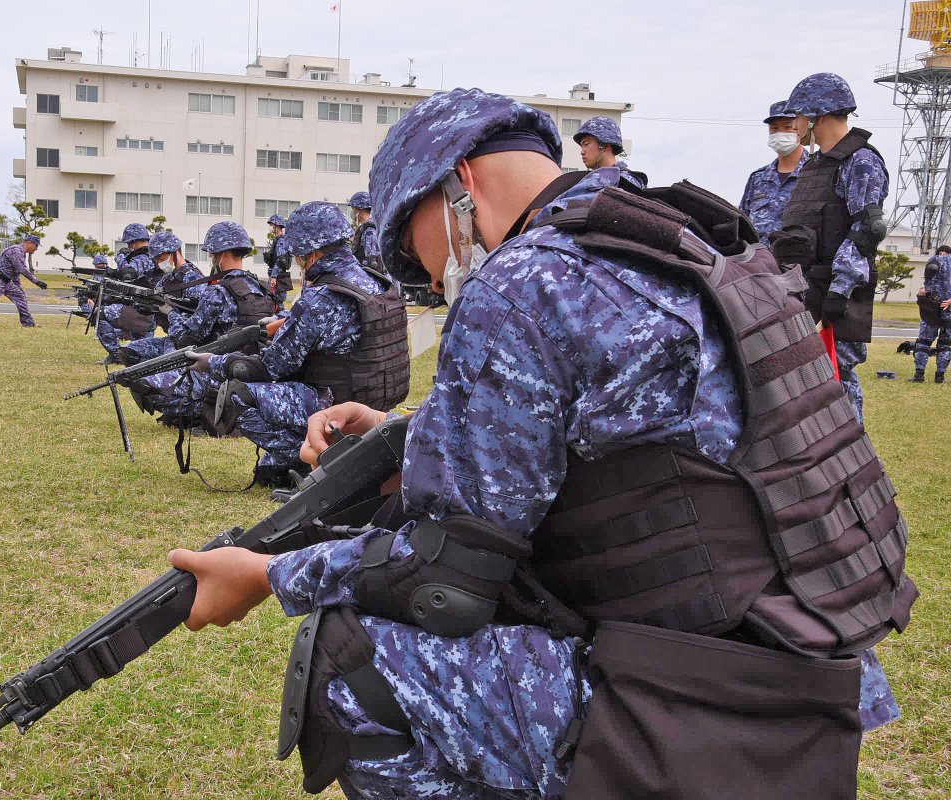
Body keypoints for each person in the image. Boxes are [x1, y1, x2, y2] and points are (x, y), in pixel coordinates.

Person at [165, 88, 913, 798]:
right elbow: (645, 434)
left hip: (707, 705)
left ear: (457, 184)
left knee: (349, 660)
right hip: (812, 669)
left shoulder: (526, 278)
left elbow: (446, 577)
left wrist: (268, 574)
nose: (426, 272)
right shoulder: (678, 244)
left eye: (410, 241)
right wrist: (412, 429)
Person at [186, 203, 409, 489]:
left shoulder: (318, 300)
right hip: (378, 400)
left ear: (312, 253)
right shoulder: (378, 282)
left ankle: (314, 461)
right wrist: (283, 320)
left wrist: (214, 362)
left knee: (237, 395)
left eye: (299, 255)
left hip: (334, 404)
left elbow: (272, 367)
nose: (297, 261)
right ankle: (287, 462)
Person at [773, 72, 890, 421]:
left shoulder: (861, 161)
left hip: (836, 293)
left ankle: (855, 464)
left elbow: (867, 230)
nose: (794, 124)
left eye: (798, 117)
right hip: (806, 288)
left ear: (817, 115)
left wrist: (838, 294)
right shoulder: (813, 165)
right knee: (805, 386)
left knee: (837, 383)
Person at [127, 221, 275, 426]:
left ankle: (198, 412)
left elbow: (186, 337)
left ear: (221, 254)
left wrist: (171, 313)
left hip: (218, 371)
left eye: (212, 254)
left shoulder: (218, 292)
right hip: (253, 371)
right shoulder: (263, 288)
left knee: (144, 385)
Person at [738, 101, 809, 244]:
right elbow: (741, 226)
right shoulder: (758, 178)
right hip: (759, 262)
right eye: (774, 128)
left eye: (787, 127)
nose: (779, 133)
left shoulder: (815, 173)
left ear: (800, 128)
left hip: (799, 262)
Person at [95, 223, 161, 363]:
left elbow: (128, 273)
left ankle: (116, 354)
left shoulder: (143, 257)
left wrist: (120, 259)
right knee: (142, 346)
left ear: (133, 242)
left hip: (140, 308)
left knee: (98, 314)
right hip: (146, 307)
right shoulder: (151, 255)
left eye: (130, 243)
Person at [912, 243, 951, 382]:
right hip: (948, 309)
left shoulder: (934, 260)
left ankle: (919, 374)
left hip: (932, 307)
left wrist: (926, 289)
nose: (942, 255)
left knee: (924, 341)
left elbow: (930, 272)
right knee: (945, 344)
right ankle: (939, 376)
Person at [572, 115, 646, 188]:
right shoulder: (590, 180)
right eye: (582, 146)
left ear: (604, 145)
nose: (582, 152)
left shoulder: (624, 181)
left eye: (586, 144)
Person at [348, 191, 382, 271]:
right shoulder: (371, 226)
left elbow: (372, 261)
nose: (352, 211)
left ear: (360, 209)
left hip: (377, 278)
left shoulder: (369, 230)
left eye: (353, 208)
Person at [264, 214, 294, 303]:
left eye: (272, 226)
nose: (271, 228)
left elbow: (280, 260)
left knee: (277, 302)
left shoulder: (281, 241)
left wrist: (274, 277)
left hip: (278, 276)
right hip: (276, 275)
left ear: (277, 226)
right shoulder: (277, 240)